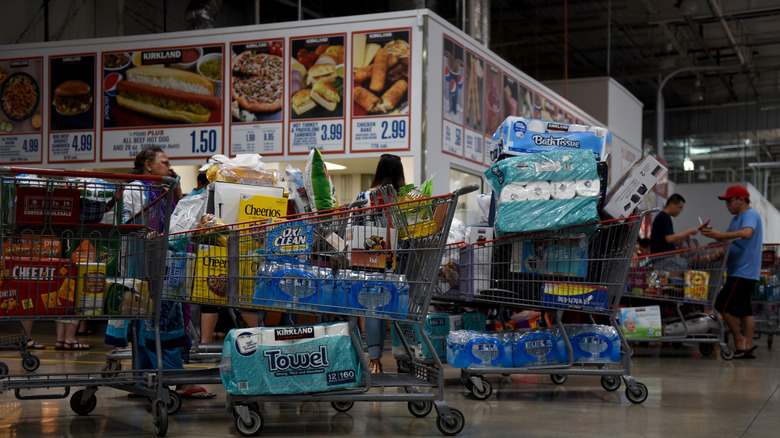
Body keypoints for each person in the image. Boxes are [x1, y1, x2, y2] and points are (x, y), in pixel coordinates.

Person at [110, 147, 214, 398]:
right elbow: (126, 223)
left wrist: (175, 188)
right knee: (164, 321)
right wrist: (147, 235)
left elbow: (177, 214)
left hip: (162, 263)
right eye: (164, 163)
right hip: (144, 264)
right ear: (147, 164)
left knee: (149, 321)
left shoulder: (161, 188)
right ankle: (174, 377)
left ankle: (145, 378)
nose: (169, 167)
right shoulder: (135, 188)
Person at [357, 154, 406, 374]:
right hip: (399, 262)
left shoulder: (364, 196)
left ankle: (374, 359)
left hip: (369, 259)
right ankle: (404, 355)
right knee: (401, 307)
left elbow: (352, 226)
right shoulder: (404, 198)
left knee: (372, 307)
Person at [702, 185, 762, 359]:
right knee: (745, 310)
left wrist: (719, 235)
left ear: (740, 200)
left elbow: (747, 233)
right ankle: (747, 346)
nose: (727, 205)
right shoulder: (736, 219)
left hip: (743, 271)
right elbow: (727, 244)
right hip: (741, 270)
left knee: (723, 305)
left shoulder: (749, 215)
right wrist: (711, 256)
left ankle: (739, 340)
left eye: (729, 201)